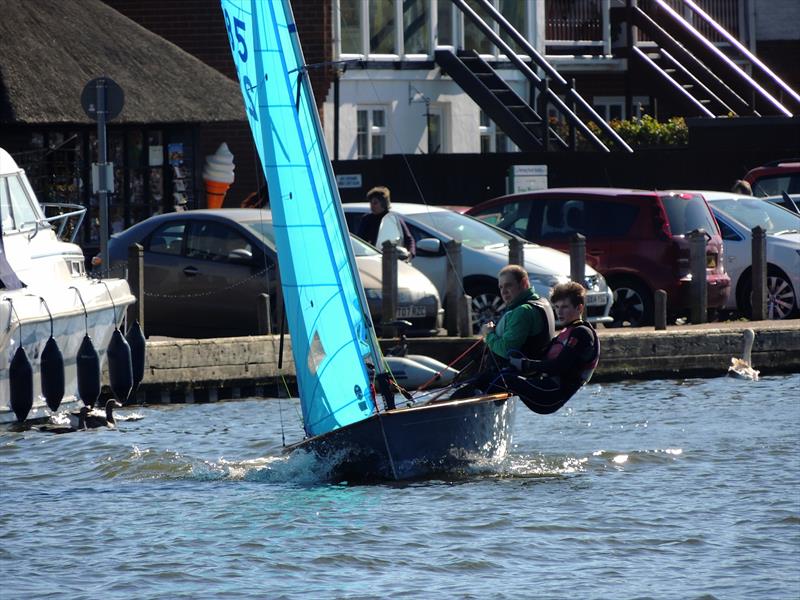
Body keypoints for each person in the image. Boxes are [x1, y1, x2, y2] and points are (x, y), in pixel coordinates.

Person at [452, 264, 555, 398]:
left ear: (524, 283)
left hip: (508, 377)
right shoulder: (542, 302)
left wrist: (489, 334)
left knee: (456, 397)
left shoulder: (523, 311)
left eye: (508, 286)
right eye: (501, 287)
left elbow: (507, 350)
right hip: (520, 375)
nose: (504, 291)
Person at [506, 281, 600, 414]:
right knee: (500, 372)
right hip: (544, 387)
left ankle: (472, 396)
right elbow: (542, 359)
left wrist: (524, 364)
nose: (559, 312)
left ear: (579, 308)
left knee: (501, 379)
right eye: (556, 307)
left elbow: (558, 366)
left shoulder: (582, 333)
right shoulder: (567, 332)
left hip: (550, 396)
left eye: (565, 307)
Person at [357, 186, 415, 258]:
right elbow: (360, 241)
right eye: (370, 203)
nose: (371, 206)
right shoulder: (366, 219)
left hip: (394, 258)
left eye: (375, 203)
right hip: (374, 258)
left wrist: (410, 253)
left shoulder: (393, 218)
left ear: (383, 203)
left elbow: (409, 239)